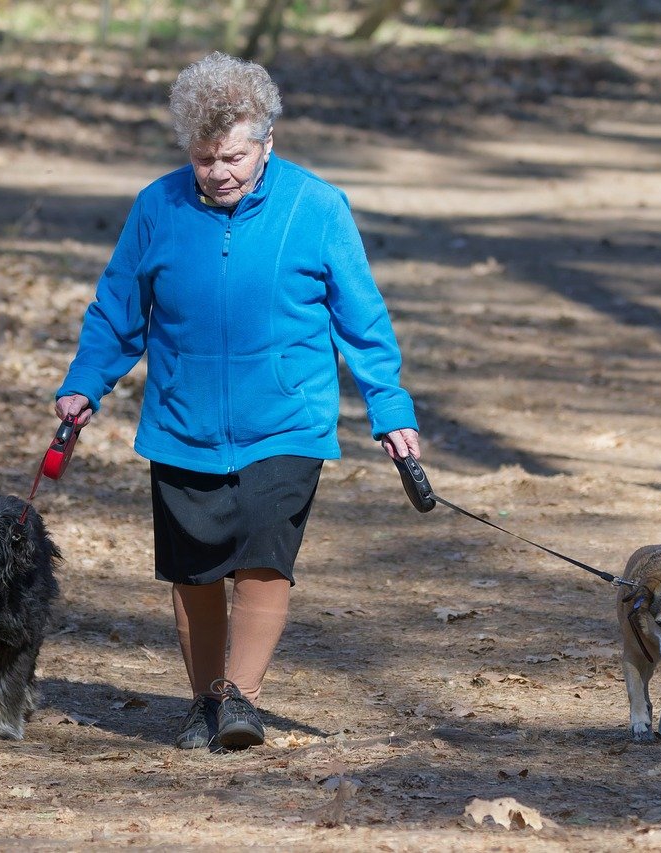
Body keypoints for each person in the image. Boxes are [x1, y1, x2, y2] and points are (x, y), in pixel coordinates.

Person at [54, 52, 420, 751]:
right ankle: (202, 700)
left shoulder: (316, 207)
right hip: (182, 419)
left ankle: (241, 698)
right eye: (204, 158)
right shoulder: (157, 207)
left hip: (286, 418)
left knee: (262, 553)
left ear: (268, 144)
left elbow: (363, 320)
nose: (219, 171)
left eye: (234, 156)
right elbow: (117, 309)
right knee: (194, 569)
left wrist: (390, 407)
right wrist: (85, 381)